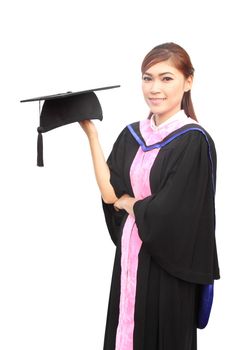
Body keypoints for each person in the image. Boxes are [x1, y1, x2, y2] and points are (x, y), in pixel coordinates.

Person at [79, 42, 220, 350]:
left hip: (168, 265)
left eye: (166, 78)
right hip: (131, 257)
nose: (155, 88)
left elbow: (171, 214)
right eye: (147, 78)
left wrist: (131, 203)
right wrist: (91, 134)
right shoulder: (133, 134)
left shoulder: (192, 141)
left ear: (188, 81)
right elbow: (110, 194)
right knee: (124, 332)